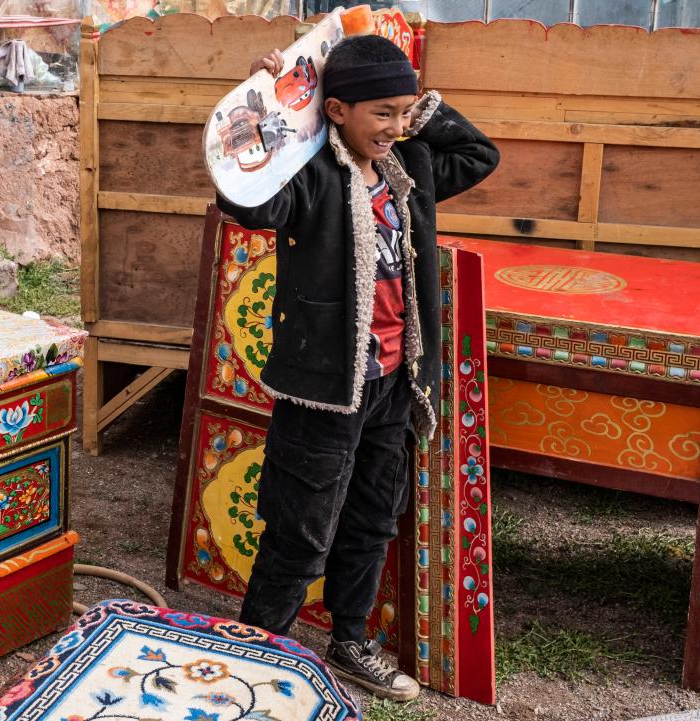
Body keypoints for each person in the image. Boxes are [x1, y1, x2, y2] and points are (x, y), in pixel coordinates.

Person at [215, 34, 499, 701]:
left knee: (372, 519)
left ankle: (349, 641)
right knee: (299, 529)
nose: (395, 126)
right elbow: (245, 201)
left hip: (395, 383)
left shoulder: (411, 166)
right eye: (383, 112)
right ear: (337, 110)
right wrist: (262, 107)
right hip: (325, 390)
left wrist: (415, 110)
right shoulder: (309, 176)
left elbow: (480, 154)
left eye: (404, 111)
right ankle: (256, 655)